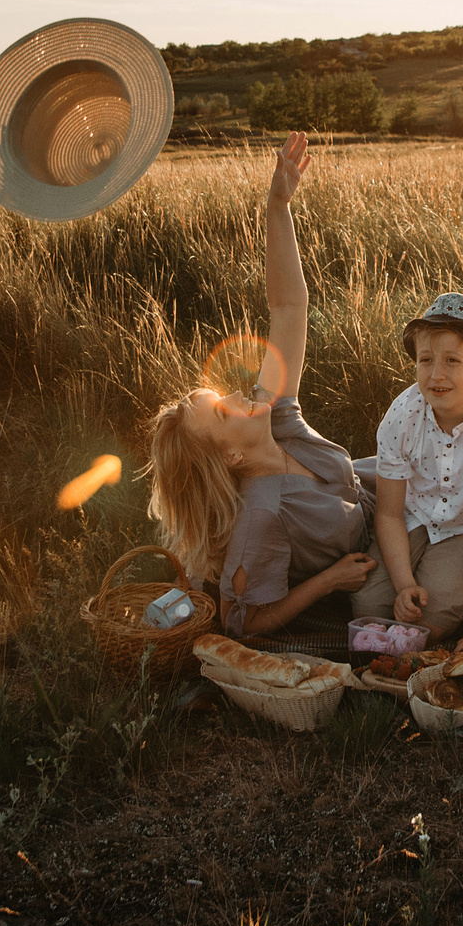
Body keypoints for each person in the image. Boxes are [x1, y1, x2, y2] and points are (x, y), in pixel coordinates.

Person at [142, 133, 375, 638]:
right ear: (229, 458)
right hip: (379, 555)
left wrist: (278, 205)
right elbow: (240, 622)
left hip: (384, 494)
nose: (235, 395)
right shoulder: (260, 517)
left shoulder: (276, 421)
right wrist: (329, 582)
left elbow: (289, 308)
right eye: (222, 413)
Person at [352, 292, 463, 653]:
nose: (436, 374)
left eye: (452, 361)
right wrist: (403, 585)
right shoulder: (402, 417)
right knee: (367, 611)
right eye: (426, 360)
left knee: (427, 624)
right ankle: (411, 581)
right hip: (415, 514)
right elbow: (387, 513)